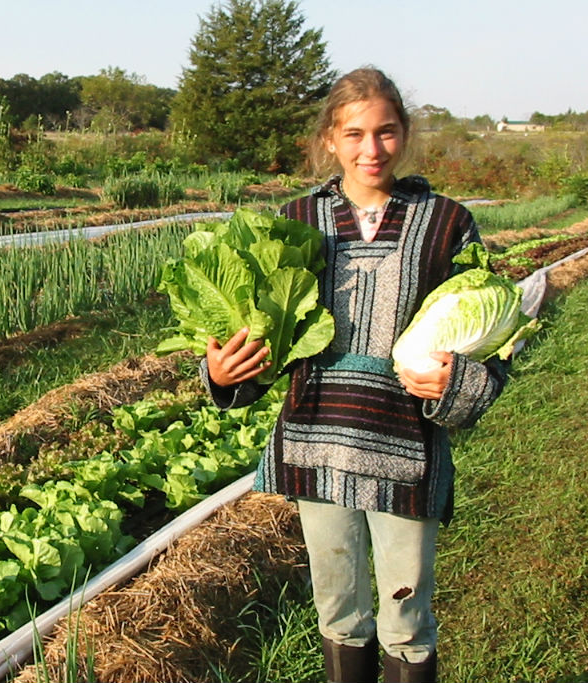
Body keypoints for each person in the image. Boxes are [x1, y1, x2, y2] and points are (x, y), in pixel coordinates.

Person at [201, 66, 509, 683]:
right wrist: (224, 371)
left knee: (408, 618)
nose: (372, 149)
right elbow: (260, 340)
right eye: (355, 134)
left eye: (387, 132)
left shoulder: (447, 222)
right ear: (330, 139)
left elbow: (494, 349)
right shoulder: (293, 220)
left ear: (406, 133)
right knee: (338, 612)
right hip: (317, 444)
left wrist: (460, 381)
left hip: (406, 447)